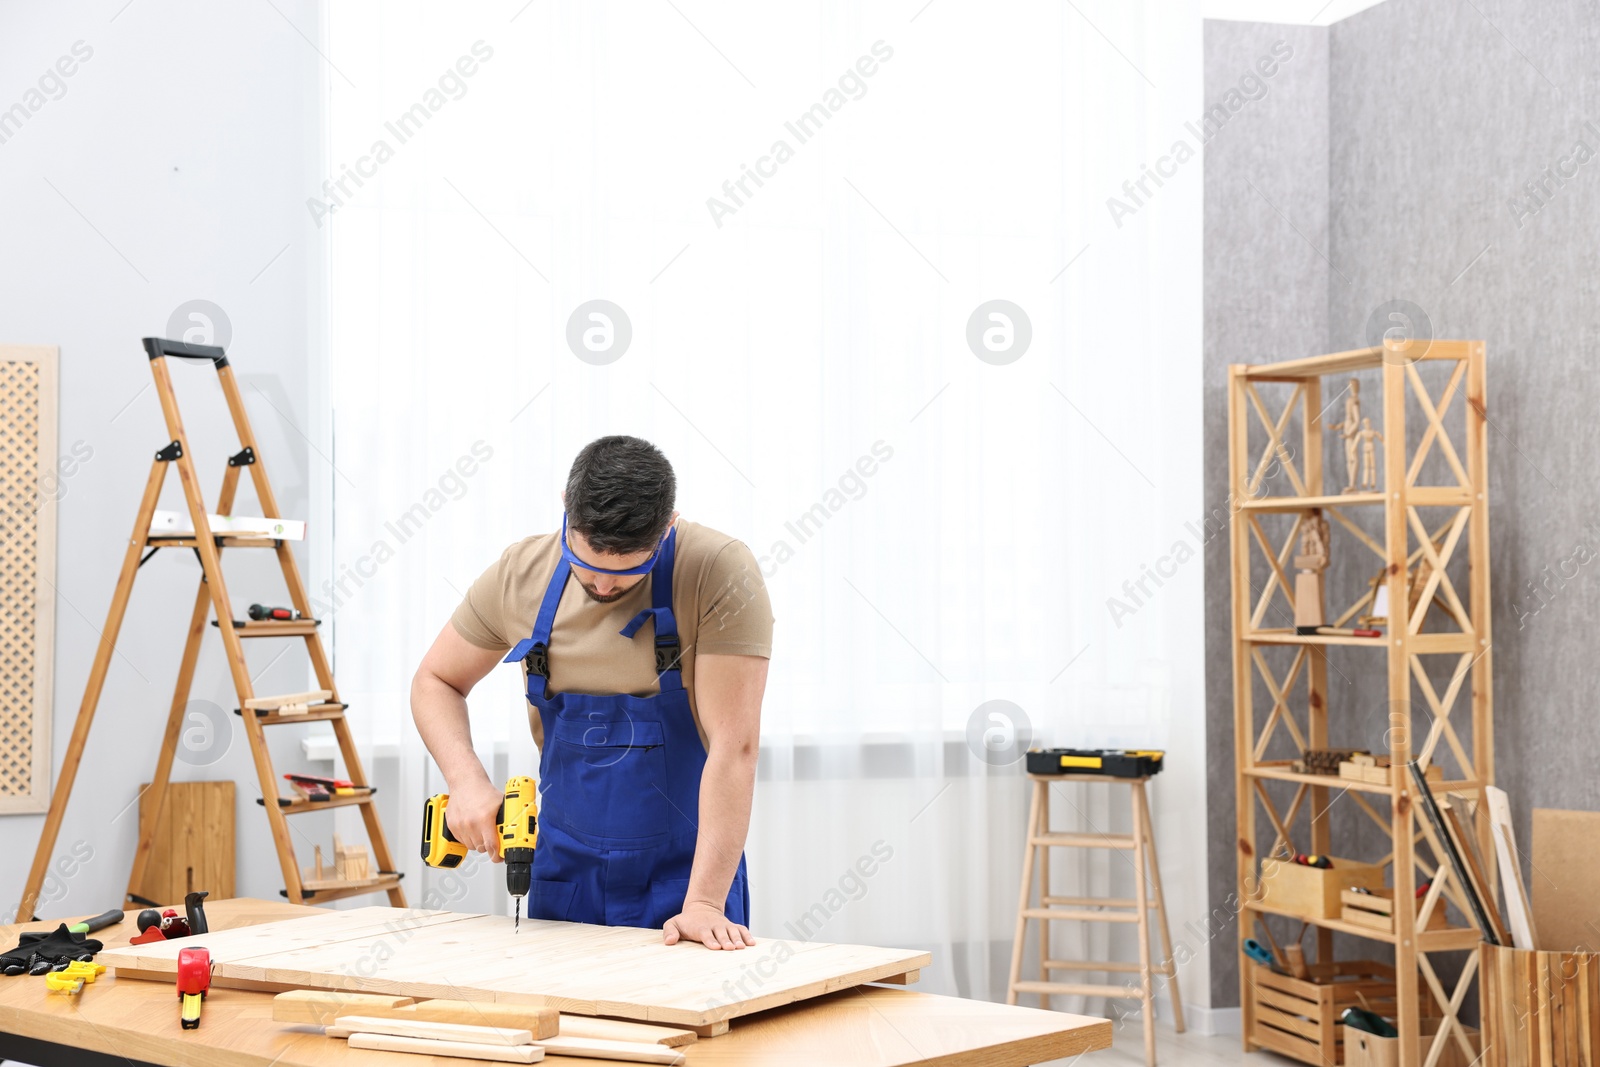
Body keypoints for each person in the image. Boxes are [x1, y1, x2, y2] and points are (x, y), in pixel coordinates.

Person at [411, 436, 772, 950]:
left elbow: (735, 747)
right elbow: (435, 681)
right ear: (566, 506)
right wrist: (465, 780)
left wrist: (706, 904)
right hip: (566, 876)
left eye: (625, 573)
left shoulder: (718, 571)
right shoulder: (520, 575)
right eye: (588, 566)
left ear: (667, 526)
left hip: (687, 880)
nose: (603, 588)